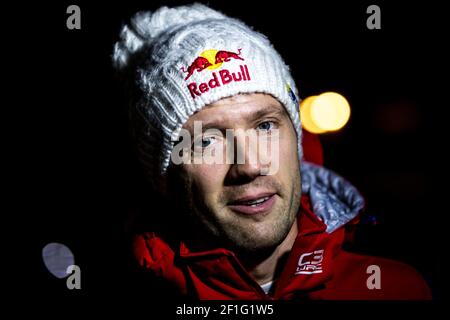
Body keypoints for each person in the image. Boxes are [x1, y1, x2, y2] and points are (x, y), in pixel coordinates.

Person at [112, 3, 431, 300]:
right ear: (164, 177)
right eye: (207, 141)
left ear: (296, 139)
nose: (249, 165)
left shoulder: (392, 290)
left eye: (265, 126)